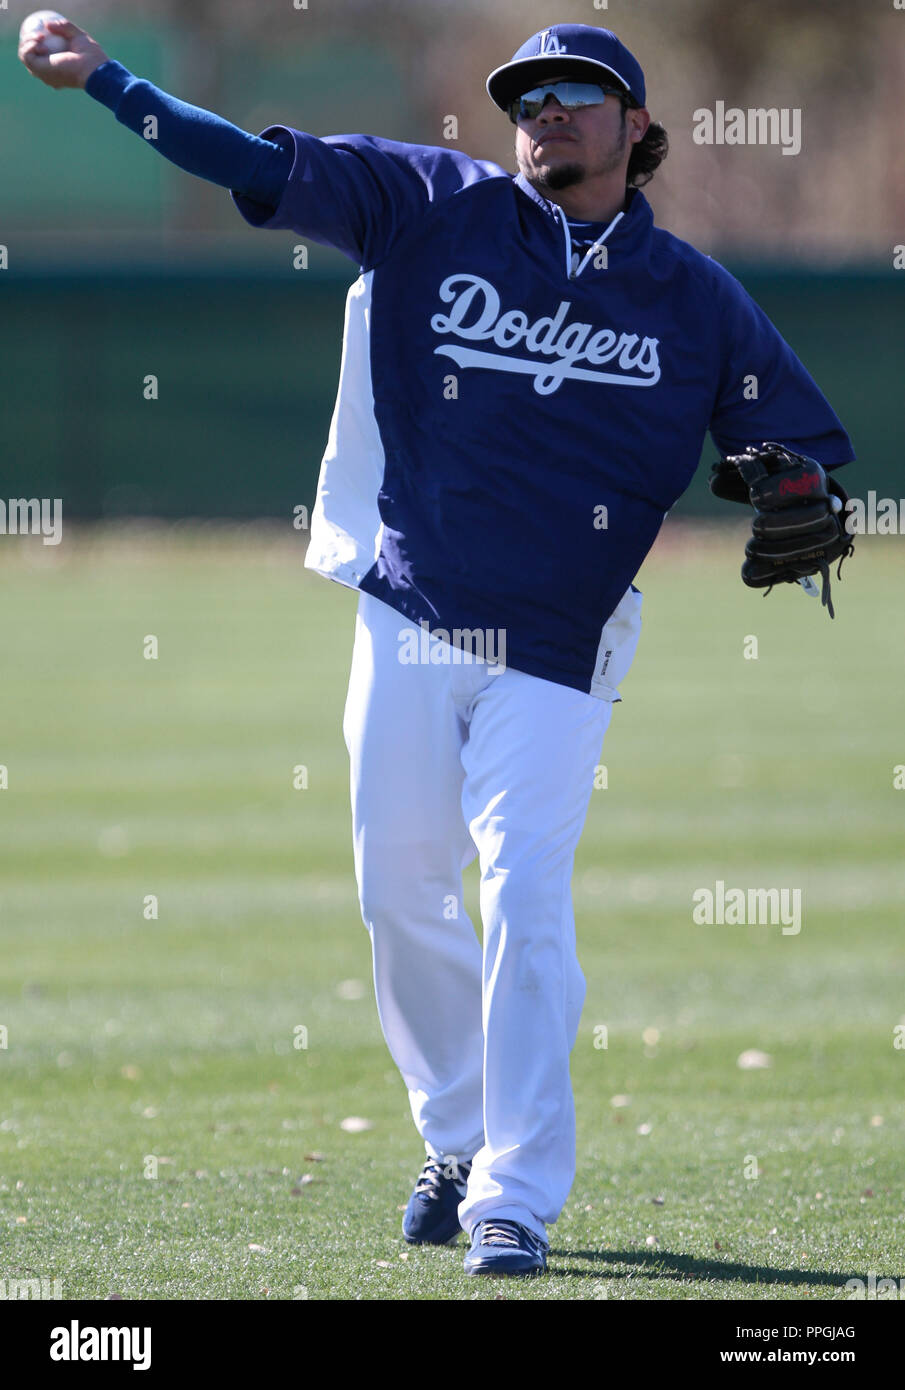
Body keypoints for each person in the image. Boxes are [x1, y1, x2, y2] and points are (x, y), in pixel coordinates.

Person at [20, 18, 854, 1278]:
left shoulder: (691, 298)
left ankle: (514, 1195)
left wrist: (786, 480)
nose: (546, 113)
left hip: (561, 641)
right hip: (411, 607)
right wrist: (102, 82)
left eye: (579, 95)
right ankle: (456, 1136)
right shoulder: (426, 205)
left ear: (636, 127)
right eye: (528, 96)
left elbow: (793, 439)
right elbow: (243, 159)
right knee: (397, 889)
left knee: (521, 891)